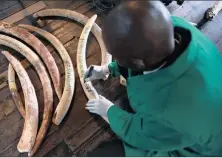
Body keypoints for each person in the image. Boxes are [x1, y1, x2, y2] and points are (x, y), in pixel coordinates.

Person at [84, 1, 222, 156]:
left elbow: (143, 134)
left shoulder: (171, 107)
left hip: (200, 147)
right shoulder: (174, 27)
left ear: (137, 62)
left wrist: (110, 111)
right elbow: (138, 56)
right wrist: (108, 69)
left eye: (117, 56)